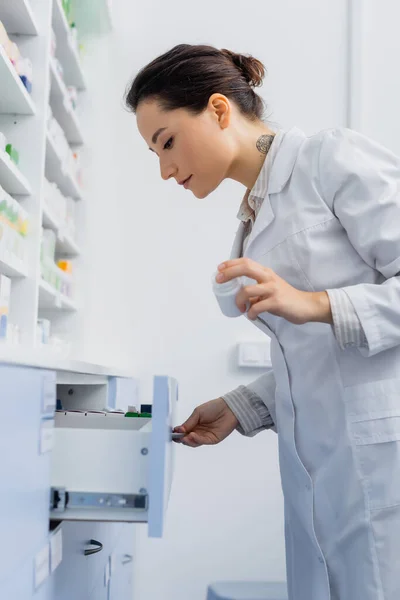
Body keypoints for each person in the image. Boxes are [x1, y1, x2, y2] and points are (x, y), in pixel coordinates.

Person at [126, 43, 400, 600]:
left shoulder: (330, 160)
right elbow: (320, 361)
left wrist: (316, 302)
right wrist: (241, 406)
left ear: (220, 110)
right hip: (321, 475)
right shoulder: (254, 216)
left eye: (168, 142)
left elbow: (324, 317)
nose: (164, 170)